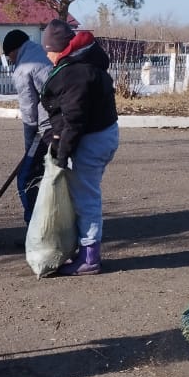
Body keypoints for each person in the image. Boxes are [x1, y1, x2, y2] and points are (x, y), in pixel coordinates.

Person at [39, 19, 120, 275]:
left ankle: (89, 258)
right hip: (102, 134)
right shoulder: (83, 64)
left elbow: (75, 118)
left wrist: (62, 153)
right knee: (83, 195)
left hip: (92, 139)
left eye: (48, 51)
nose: (48, 56)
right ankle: (83, 250)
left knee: (86, 199)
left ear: (60, 48)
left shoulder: (75, 72)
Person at [3, 28, 52, 223]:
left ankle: (36, 230)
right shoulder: (43, 53)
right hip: (66, 124)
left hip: (47, 127)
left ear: (14, 50)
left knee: (26, 177)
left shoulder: (24, 67)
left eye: (9, 56)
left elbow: (29, 114)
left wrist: (29, 149)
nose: (10, 60)